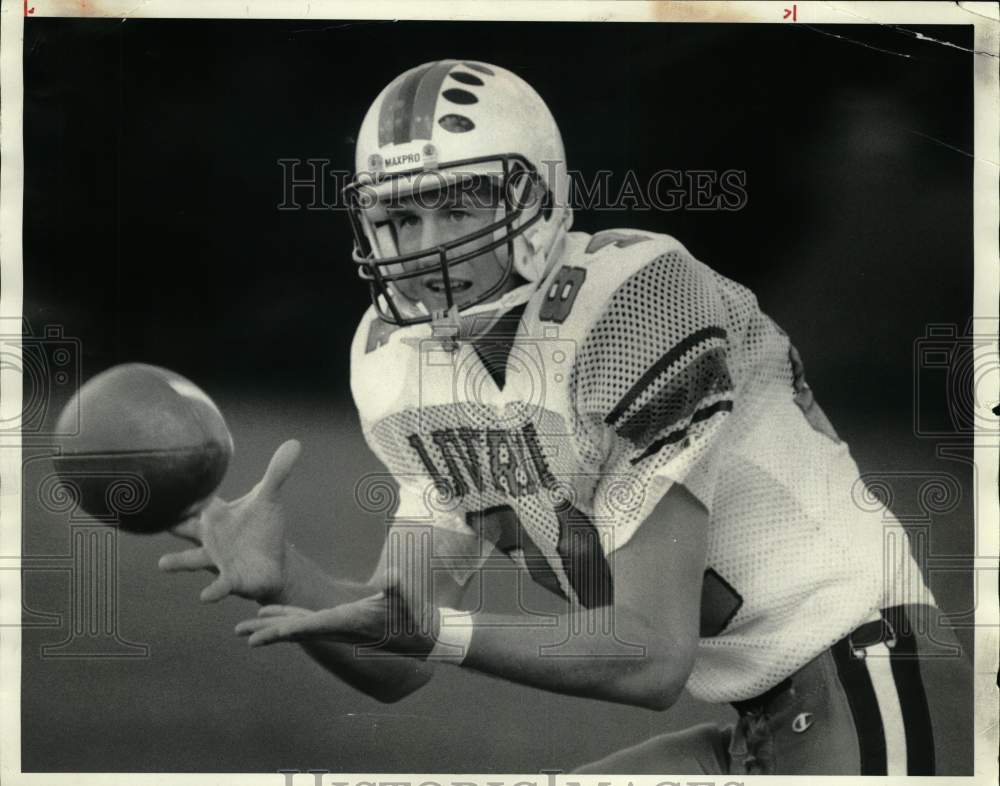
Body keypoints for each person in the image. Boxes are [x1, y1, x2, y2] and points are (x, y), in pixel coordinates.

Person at [158, 60, 971, 775]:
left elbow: (651, 654)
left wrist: (438, 632)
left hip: (877, 681)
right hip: (766, 723)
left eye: (458, 207)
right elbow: (397, 647)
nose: (428, 247)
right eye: (401, 217)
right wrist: (287, 577)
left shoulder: (638, 303)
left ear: (534, 200)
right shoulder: (398, 366)